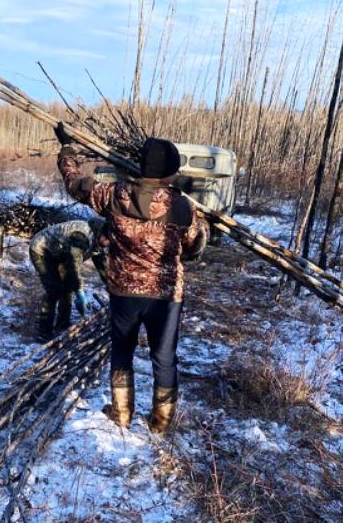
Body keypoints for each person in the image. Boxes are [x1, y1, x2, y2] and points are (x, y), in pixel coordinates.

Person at [53, 123, 209, 434]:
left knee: (122, 350)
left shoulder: (114, 194)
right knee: (164, 357)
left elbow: (75, 183)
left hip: (124, 292)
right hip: (166, 297)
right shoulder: (182, 206)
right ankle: (161, 422)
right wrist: (199, 230)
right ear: (169, 172)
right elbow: (194, 247)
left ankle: (122, 413)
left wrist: (67, 149)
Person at [29, 219, 107, 341]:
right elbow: (73, 266)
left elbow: (102, 266)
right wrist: (79, 291)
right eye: (106, 239)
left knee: (67, 287)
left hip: (61, 253)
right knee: (54, 290)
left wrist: (112, 286)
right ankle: (44, 331)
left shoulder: (100, 241)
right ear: (100, 233)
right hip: (42, 249)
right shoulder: (81, 237)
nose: (108, 242)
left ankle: (62, 324)